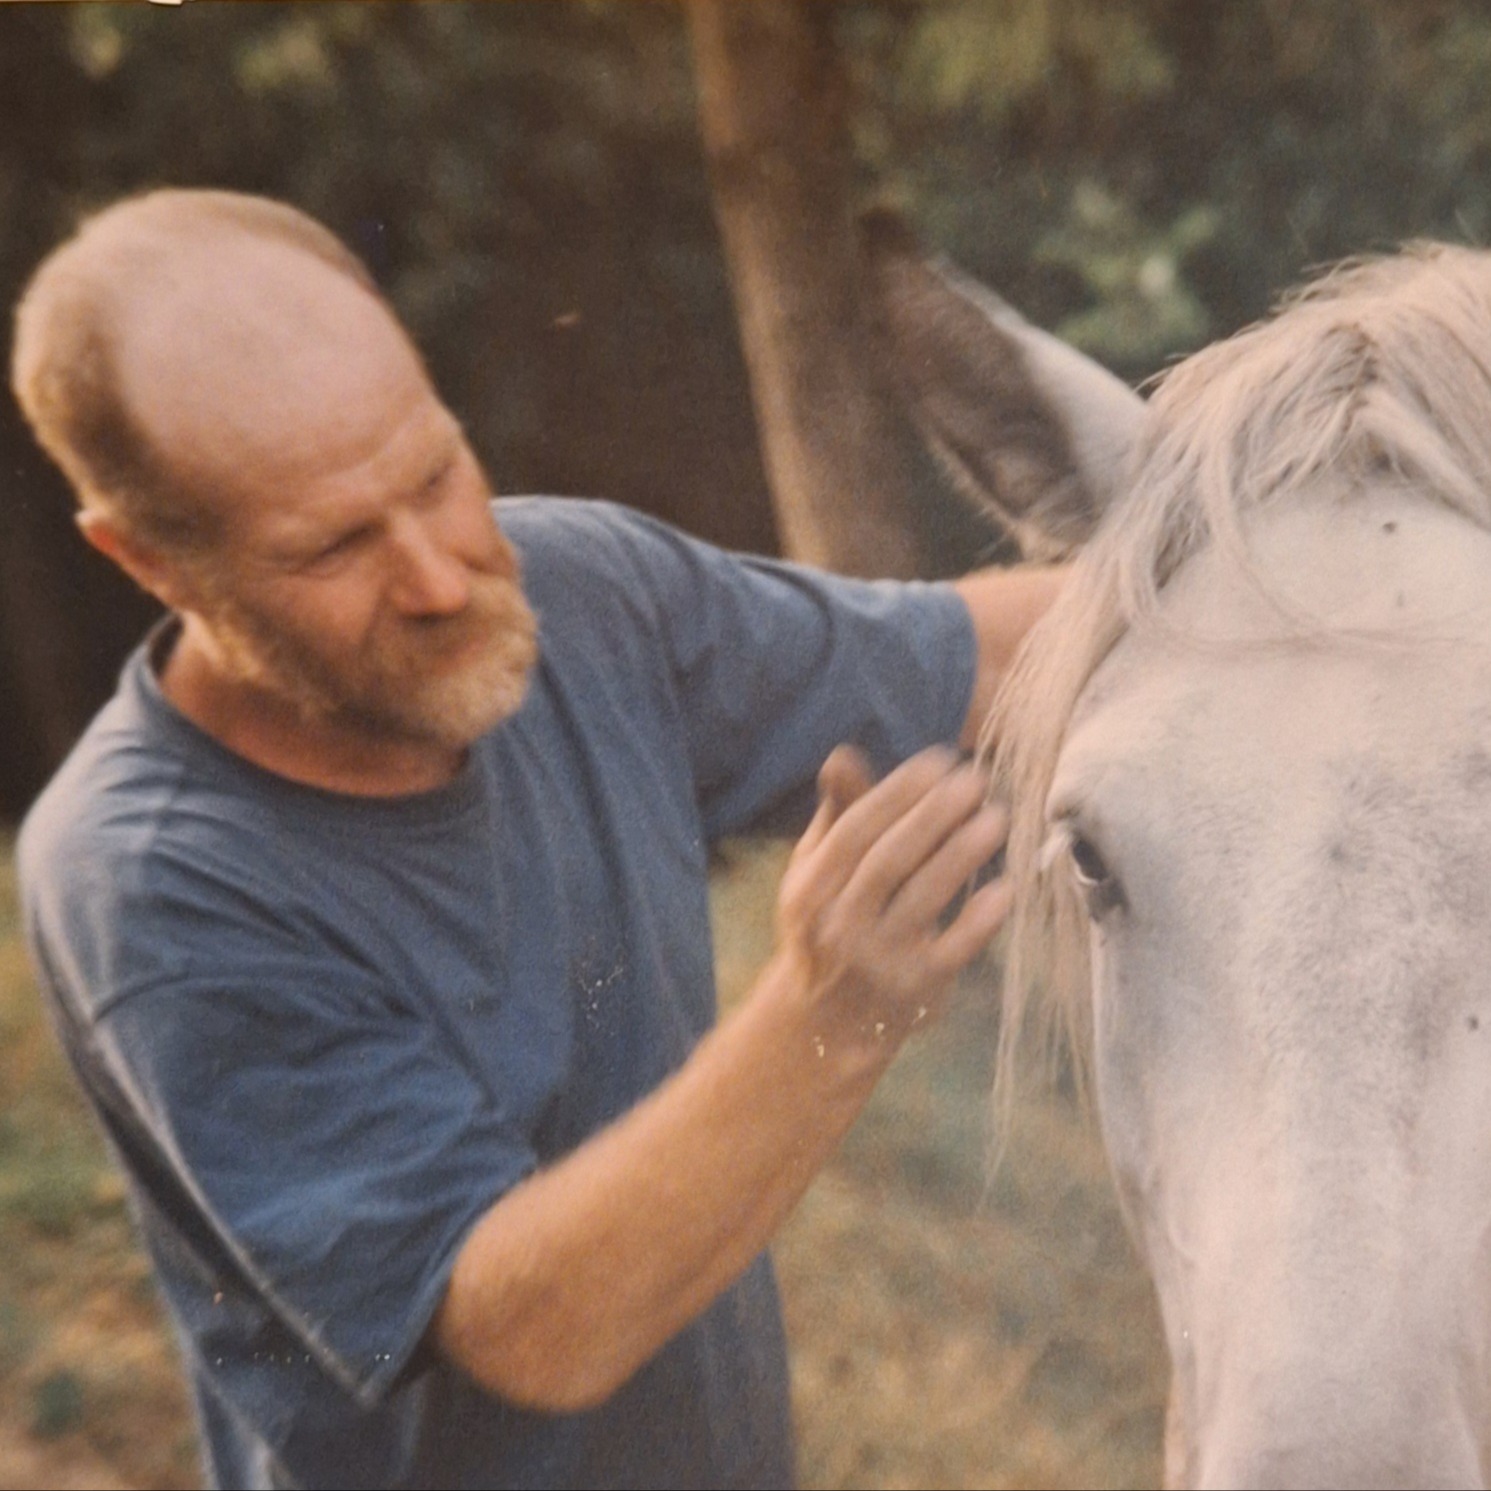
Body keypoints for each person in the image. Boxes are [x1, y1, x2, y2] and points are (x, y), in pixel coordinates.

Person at [10, 189, 1062, 1491]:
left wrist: (1262, 530)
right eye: (332, 547)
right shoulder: (152, 878)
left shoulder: (583, 590)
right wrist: (827, 1020)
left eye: (435, 473)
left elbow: (984, 652)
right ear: (150, 561)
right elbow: (534, 1333)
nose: (442, 578)